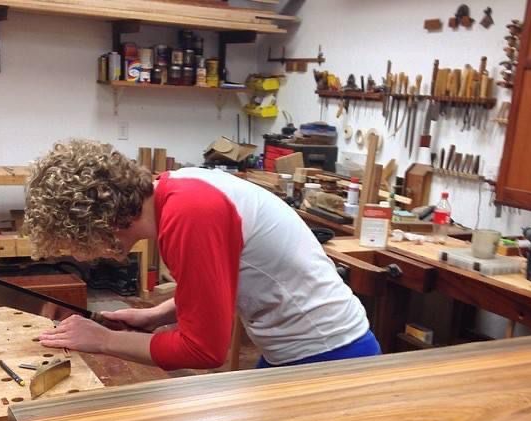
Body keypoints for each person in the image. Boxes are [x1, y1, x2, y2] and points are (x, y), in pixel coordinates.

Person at [24, 139, 381, 370]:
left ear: (97, 222)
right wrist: (160, 315)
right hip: (293, 350)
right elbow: (222, 277)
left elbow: (204, 351)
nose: (87, 258)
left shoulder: (190, 215)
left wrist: (103, 340)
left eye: (79, 244)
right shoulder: (175, 192)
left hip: (330, 357)